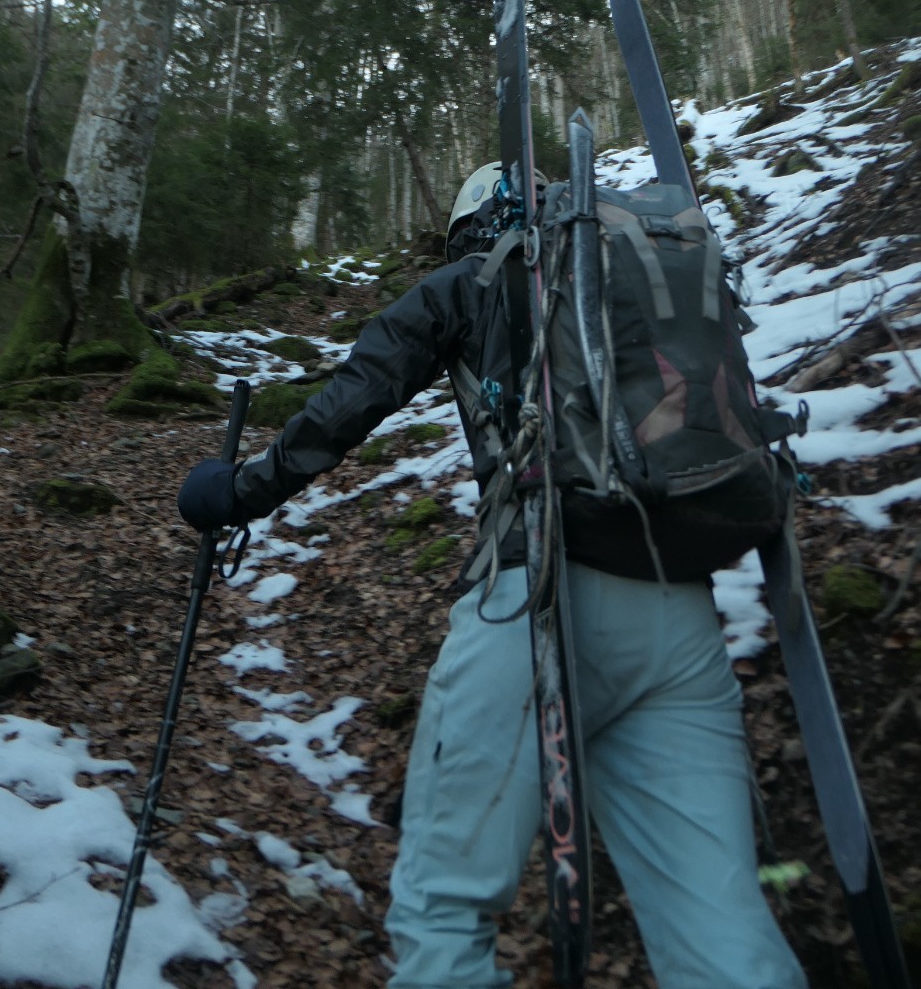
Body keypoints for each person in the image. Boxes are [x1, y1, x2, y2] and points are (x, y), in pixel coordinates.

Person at [178, 164, 807, 989]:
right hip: (682, 619)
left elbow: (352, 399)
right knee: (720, 930)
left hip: (540, 595)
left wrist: (240, 492)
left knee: (444, 907)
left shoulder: (469, 282)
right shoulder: (632, 284)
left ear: (472, 227)